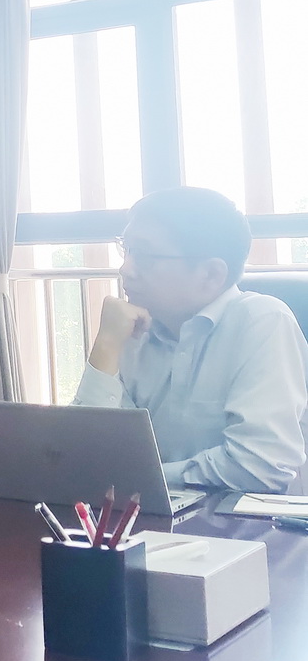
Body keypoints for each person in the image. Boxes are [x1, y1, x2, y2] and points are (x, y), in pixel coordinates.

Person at [74, 186, 308, 492]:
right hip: (150, 515)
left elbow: (260, 466)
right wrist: (106, 345)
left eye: (144, 255)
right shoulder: (132, 329)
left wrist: (145, 478)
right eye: (126, 249)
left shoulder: (263, 321)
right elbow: (84, 453)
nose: (125, 269)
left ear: (211, 274)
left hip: (246, 519)